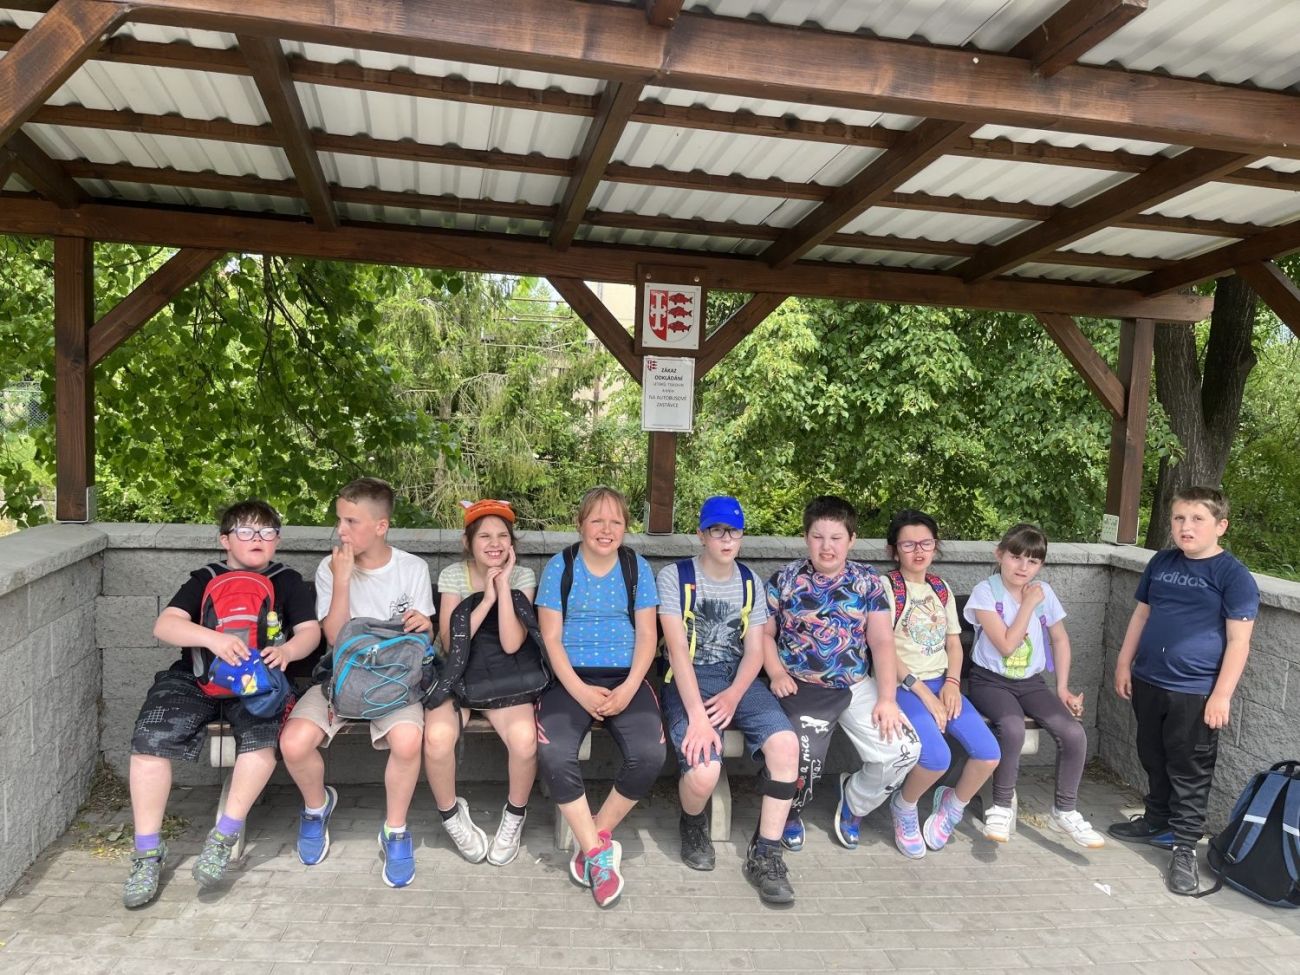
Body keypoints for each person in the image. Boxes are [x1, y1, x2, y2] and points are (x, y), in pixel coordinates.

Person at [123, 500, 320, 908]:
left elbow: (310, 632)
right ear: (225, 540)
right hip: (196, 677)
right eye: (246, 531)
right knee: (149, 742)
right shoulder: (205, 578)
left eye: (267, 532)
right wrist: (213, 639)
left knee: (262, 741)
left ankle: (223, 836)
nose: (257, 539)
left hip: (258, 682)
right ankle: (147, 852)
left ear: (277, 541)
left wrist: (287, 652)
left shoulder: (287, 581)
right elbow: (165, 625)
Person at [279, 477, 435, 888]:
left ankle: (395, 830)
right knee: (293, 743)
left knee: (407, 741)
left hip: (394, 680)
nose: (341, 531)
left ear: (381, 526)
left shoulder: (412, 568)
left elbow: (423, 640)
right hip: (341, 678)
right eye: (339, 520)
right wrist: (343, 579)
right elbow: (334, 637)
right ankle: (317, 807)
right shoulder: (330, 568)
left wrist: (425, 625)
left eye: (351, 521)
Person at [1109, 486, 1259, 896]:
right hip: (1148, 681)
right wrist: (1124, 663)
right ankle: (1156, 820)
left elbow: (1239, 642)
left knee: (1190, 771)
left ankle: (1185, 847)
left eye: (1197, 519)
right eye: (1179, 518)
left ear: (1221, 526)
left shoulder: (1233, 576)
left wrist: (1221, 695)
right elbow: (1141, 615)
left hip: (1195, 693)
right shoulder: (1162, 561)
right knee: (1152, 756)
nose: (1185, 527)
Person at [658, 496, 800, 904]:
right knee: (704, 770)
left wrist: (735, 696)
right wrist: (698, 717)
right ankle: (692, 823)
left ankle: (766, 853)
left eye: (733, 531)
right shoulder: (675, 576)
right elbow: (677, 651)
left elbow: (754, 651)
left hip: (738, 678)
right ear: (701, 534)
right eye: (716, 530)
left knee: (786, 745)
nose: (725, 539)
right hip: (687, 678)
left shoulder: (750, 581)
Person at [763, 495, 919, 852]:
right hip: (801, 686)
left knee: (904, 750)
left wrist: (887, 698)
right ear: (806, 537)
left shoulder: (867, 581)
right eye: (818, 537)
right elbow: (764, 634)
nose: (827, 547)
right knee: (803, 760)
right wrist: (775, 673)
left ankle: (855, 800)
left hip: (856, 684)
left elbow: (881, 641)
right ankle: (789, 813)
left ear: (851, 539)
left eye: (836, 538)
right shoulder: (784, 579)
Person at [534, 487, 663, 909]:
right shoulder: (561, 567)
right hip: (570, 679)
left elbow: (648, 635)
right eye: (597, 521)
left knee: (650, 754)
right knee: (554, 754)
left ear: (625, 527)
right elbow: (551, 638)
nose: (606, 530)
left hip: (627, 677)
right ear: (580, 524)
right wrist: (580, 691)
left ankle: (595, 834)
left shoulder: (636, 567)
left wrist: (628, 688)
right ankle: (596, 856)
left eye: (615, 522)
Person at [964, 523, 1104, 849]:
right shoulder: (986, 592)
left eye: (1033, 561)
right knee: (1012, 726)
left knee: (1073, 733)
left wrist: (1063, 688)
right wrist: (1027, 605)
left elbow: (1060, 639)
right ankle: (1001, 806)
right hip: (990, 682)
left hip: (1031, 683)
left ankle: (1064, 811)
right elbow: (1006, 646)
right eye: (1016, 557)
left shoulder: (1044, 593)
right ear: (1000, 555)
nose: (1023, 567)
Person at [423, 499, 538, 867]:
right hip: (456, 675)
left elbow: (511, 642)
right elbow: (449, 643)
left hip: (503, 675)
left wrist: (503, 587)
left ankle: (514, 815)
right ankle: (451, 815)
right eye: (485, 536)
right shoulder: (454, 575)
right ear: (468, 541)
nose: (495, 543)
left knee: (525, 741)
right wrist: (486, 600)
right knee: (437, 739)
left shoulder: (523, 576)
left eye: (503, 536)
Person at [883, 509, 1001, 858]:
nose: (918, 551)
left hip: (941, 684)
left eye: (926, 543)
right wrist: (923, 692)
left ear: (936, 546)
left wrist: (951, 683)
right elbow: (883, 649)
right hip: (904, 686)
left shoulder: (940, 587)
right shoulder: (886, 588)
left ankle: (953, 803)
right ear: (894, 550)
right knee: (936, 758)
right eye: (908, 544)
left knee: (989, 753)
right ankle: (904, 806)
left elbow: (953, 642)